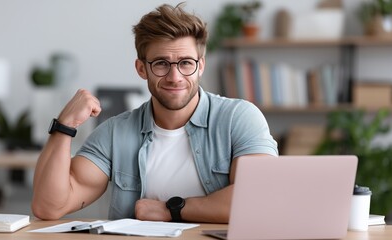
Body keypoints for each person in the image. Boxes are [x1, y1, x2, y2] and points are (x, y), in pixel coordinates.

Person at [31, 2, 278, 223]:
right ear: (141, 68)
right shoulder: (115, 132)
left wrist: (172, 210)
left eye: (185, 63)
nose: (174, 77)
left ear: (200, 66)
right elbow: (49, 206)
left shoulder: (239, 118)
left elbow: (261, 197)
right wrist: (64, 126)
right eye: (161, 63)